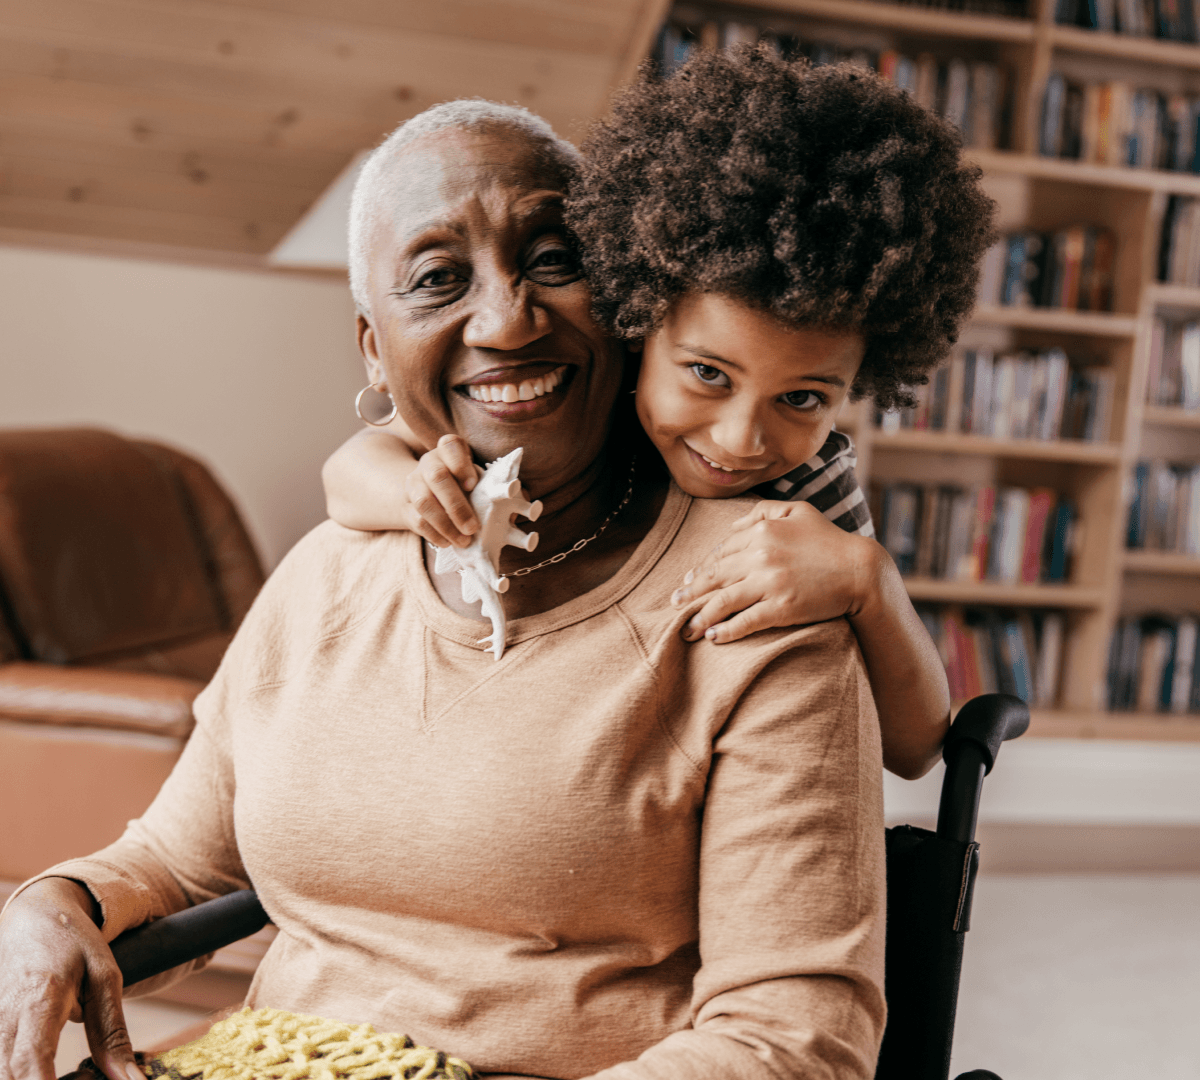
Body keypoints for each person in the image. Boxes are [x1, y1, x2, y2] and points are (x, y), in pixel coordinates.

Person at [0, 90, 888, 1080]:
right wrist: (48, 905)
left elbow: (797, 1035)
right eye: (437, 278)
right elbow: (170, 856)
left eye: (554, 260)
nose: (506, 320)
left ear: (632, 298)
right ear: (375, 350)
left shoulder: (763, 598)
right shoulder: (330, 569)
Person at [322, 48, 995, 782]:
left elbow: (918, 748)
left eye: (802, 398)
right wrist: (416, 495)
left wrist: (870, 581)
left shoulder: (814, 489)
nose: (741, 438)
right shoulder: (584, 407)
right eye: (708, 374)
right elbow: (346, 472)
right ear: (635, 325)